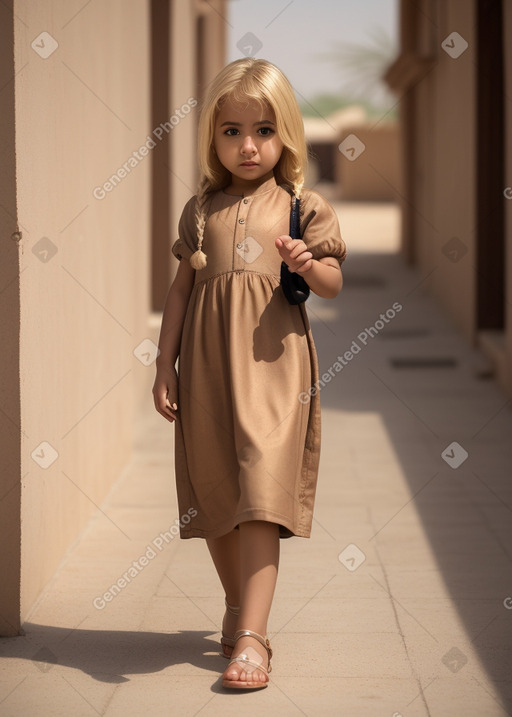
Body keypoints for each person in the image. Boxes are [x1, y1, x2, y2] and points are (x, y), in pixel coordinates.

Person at [152, 57, 347, 690]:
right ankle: (238, 609)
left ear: (286, 133)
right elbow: (181, 291)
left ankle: (255, 639)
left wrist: (305, 261)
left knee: (262, 491)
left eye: (263, 130)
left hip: (274, 367)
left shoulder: (302, 207)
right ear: (212, 135)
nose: (248, 145)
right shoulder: (200, 209)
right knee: (218, 493)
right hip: (206, 367)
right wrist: (164, 364)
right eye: (231, 131)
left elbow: (334, 284)